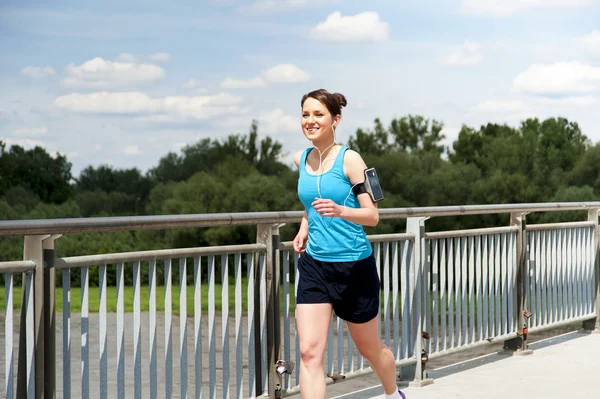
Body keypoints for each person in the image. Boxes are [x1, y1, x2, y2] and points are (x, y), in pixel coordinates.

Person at [293, 89, 405, 399]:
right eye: (305, 114)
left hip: (353, 266)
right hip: (315, 265)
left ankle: (393, 393)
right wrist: (305, 226)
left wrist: (341, 211)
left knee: (370, 348)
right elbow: (310, 203)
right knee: (309, 353)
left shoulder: (351, 159)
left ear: (335, 119)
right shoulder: (300, 159)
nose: (310, 120)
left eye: (318, 114)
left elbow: (372, 216)